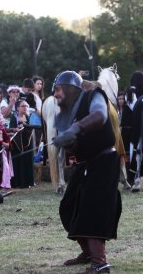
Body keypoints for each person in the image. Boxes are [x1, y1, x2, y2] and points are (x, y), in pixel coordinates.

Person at [53, 71, 121, 273]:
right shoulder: (62, 115)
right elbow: (72, 147)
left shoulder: (94, 96)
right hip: (84, 164)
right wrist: (67, 142)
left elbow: (99, 116)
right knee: (69, 206)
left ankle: (100, 263)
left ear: (70, 88)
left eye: (57, 90)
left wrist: (75, 129)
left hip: (104, 160)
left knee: (93, 209)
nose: (55, 94)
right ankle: (88, 252)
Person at [10, 99, 35, 188]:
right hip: (17, 144)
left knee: (28, 160)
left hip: (28, 142)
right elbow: (11, 129)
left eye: (26, 106)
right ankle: (19, 182)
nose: (25, 108)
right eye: (23, 106)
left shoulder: (28, 117)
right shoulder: (14, 117)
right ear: (17, 108)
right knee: (18, 161)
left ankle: (29, 182)